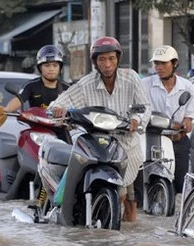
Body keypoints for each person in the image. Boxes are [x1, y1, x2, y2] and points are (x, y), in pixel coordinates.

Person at [50, 36, 151, 222]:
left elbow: (145, 106)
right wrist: (58, 109)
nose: (107, 64)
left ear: (118, 59)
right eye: (102, 59)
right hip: (98, 146)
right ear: (95, 62)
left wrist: (137, 119)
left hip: (128, 147)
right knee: (115, 194)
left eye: (111, 58)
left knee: (131, 203)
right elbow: (59, 103)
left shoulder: (132, 78)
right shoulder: (85, 84)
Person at [0, 44, 70, 138]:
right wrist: (4, 110)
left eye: (55, 65)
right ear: (40, 68)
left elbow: (80, 107)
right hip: (37, 132)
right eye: (47, 65)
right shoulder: (31, 86)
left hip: (63, 131)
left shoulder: (68, 88)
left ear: (60, 68)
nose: (51, 69)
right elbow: (17, 101)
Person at [141, 45, 194, 194]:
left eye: (164, 63)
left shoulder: (187, 87)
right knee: (142, 182)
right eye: (157, 64)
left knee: (180, 185)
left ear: (174, 64)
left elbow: (189, 119)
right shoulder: (145, 85)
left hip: (177, 140)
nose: (159, 67)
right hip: (152, 140)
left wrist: (185, 123)